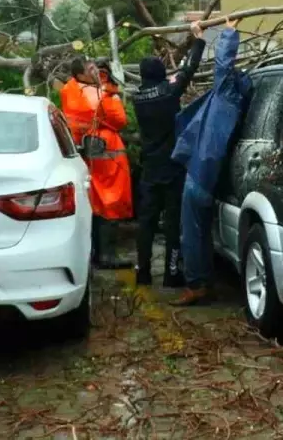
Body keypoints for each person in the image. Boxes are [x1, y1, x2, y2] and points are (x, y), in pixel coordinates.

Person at [171, 17, 251, 307]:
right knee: (201, 231)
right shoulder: (233, 102)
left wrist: (228, 32)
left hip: (201, 172)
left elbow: (223, 65)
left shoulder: (228, 97)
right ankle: (203, 282)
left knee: (191, 232)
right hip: (206, 171)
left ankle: (197, 285)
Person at [130, 22, 207, 287]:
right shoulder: (169, 92)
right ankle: (172, 274)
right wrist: (198, 39)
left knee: (146, 222)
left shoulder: (137, 98)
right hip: (172, 168)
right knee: (173, 223)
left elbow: (173, 78)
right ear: (161, 72)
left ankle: (143, 272)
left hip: (150, 169)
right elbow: (188, 69)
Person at [60, 57, 134, 269]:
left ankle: (96, 253)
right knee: (111, 201)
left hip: (88, 151)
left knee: (96, 202)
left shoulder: (69, 90)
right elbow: (119, 120)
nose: (95, 70)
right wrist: (111, 93)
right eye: (90, 68)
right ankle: (107, 255)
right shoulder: (97, 93)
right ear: (81, 74)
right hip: (107, 155)